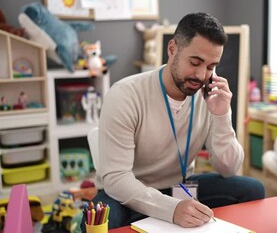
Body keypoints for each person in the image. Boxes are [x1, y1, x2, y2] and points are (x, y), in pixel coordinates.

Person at [82, 12, 265, 231]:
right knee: (96, 222)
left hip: (180, 187)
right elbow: (116, 179)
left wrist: (221, 115)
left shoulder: (210, 96)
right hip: (128, 192)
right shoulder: (125, 95)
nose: (200, 75)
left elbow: (229, 168)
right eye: (195, 62)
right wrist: (172, 209)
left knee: (252, 190)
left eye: (210, 66)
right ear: (172, 49)